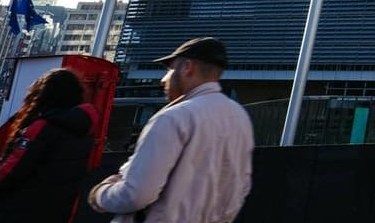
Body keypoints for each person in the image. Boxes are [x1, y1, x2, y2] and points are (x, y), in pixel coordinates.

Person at [89, 37, 253, 223]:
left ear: (187, 68)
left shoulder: (173, 117)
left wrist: (100, 194)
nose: (163, 79)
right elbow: (242, 187)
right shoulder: (240, 118)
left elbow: (137, 195)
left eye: (170, 69)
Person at [0, 69, 97, 222]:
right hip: (56, 211)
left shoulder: (44, 126)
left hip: (17, 210)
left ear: (43, 94)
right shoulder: (83, 131)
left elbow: (9, 172)